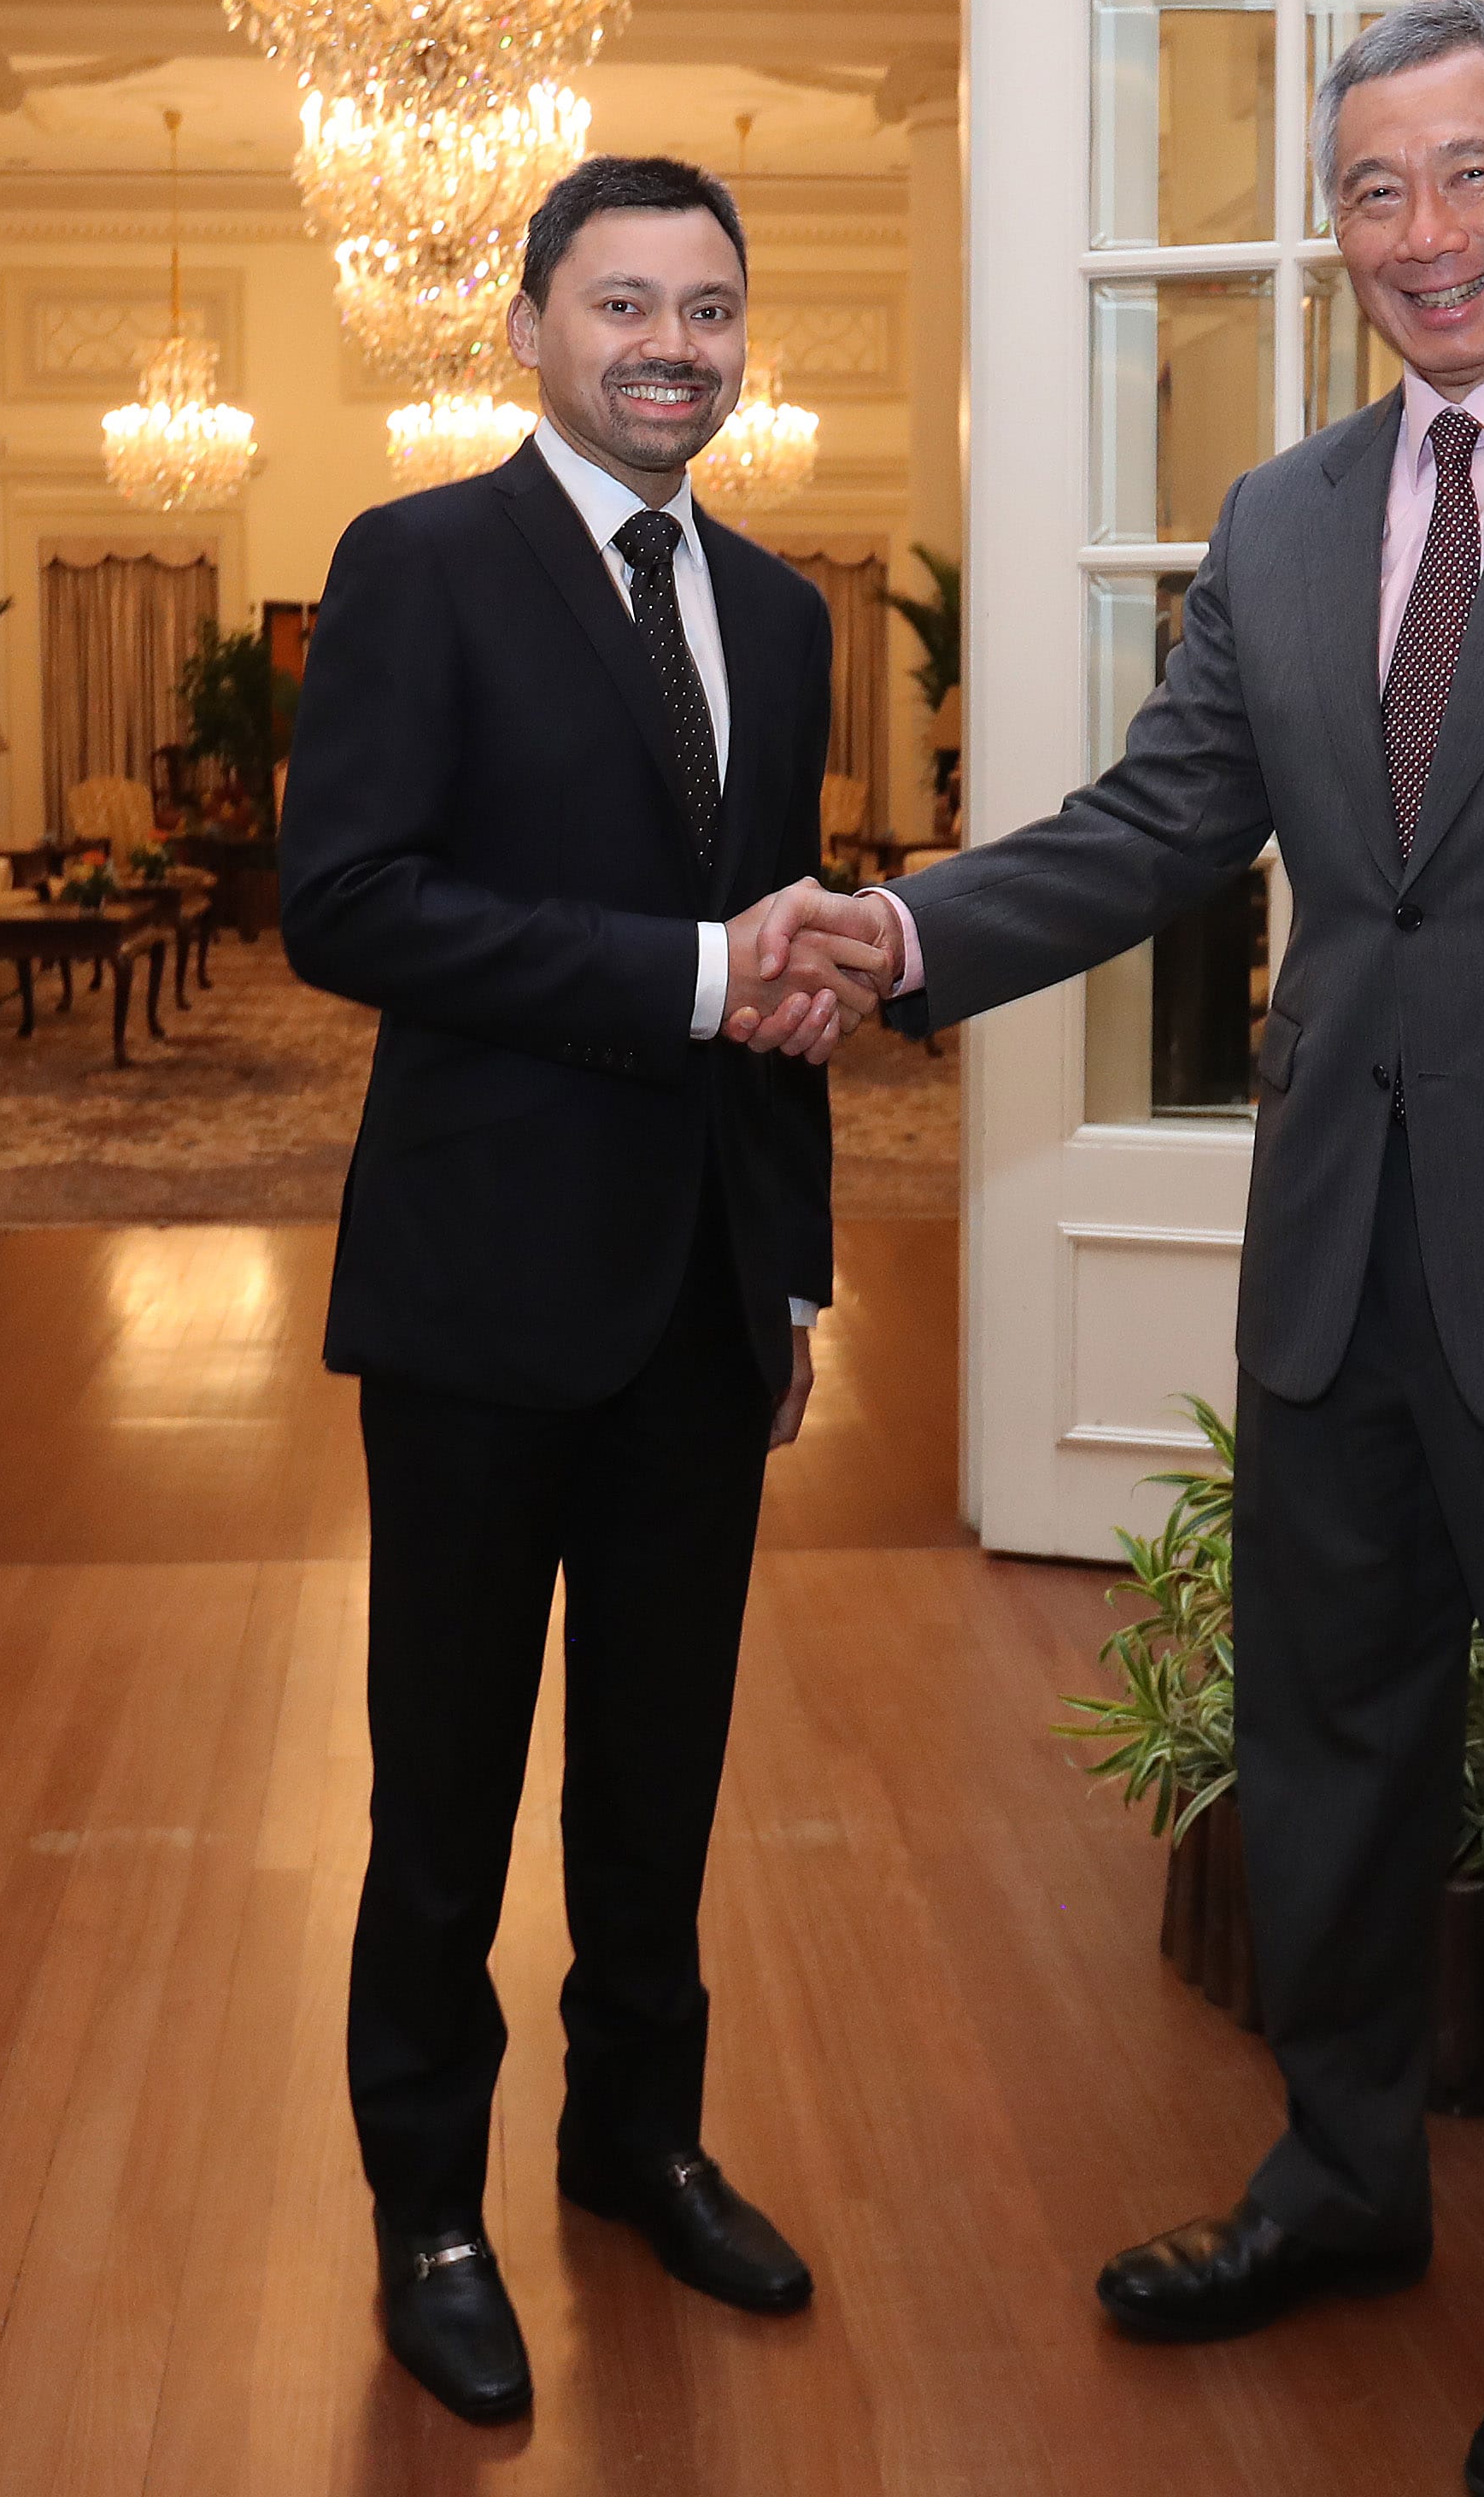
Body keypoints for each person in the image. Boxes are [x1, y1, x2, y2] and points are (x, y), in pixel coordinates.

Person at [748, 0, 1484, 2497]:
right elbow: (1162, 822)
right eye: (1375, 192)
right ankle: (1345, 2186)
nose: (1423, 237)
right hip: (1342, 1257)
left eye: (1468, 177)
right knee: (1332, 1765)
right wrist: (904, 932)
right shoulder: (1279, 518)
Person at [279, 153, 898, 2428]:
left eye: (712, 309)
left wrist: (802, 1273)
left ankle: (638, 2142)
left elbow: (786, 979)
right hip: (474, 1299)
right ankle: (428, 2211)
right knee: (442, 1797)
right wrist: (681, 971)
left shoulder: (789, 610)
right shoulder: (416, 567)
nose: (673, 346)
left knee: (662, 1779)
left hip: (708, 1301)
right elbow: (343, 904)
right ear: (529, 325)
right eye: (625, 303)